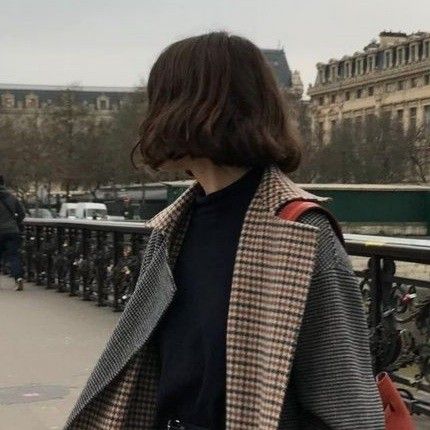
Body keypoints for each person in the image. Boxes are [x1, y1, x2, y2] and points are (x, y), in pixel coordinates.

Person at [65, 32, 385, 429]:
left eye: (159, 103)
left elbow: (346, 402)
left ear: (196, 110)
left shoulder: (300, 231)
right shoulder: (172, 227)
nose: (149, 122)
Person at [0, 175, 26, 291]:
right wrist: (16, 223)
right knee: (14, 255)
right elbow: (22, 214)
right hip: (12, 230)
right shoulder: (11, 197)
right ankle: (18, 278)